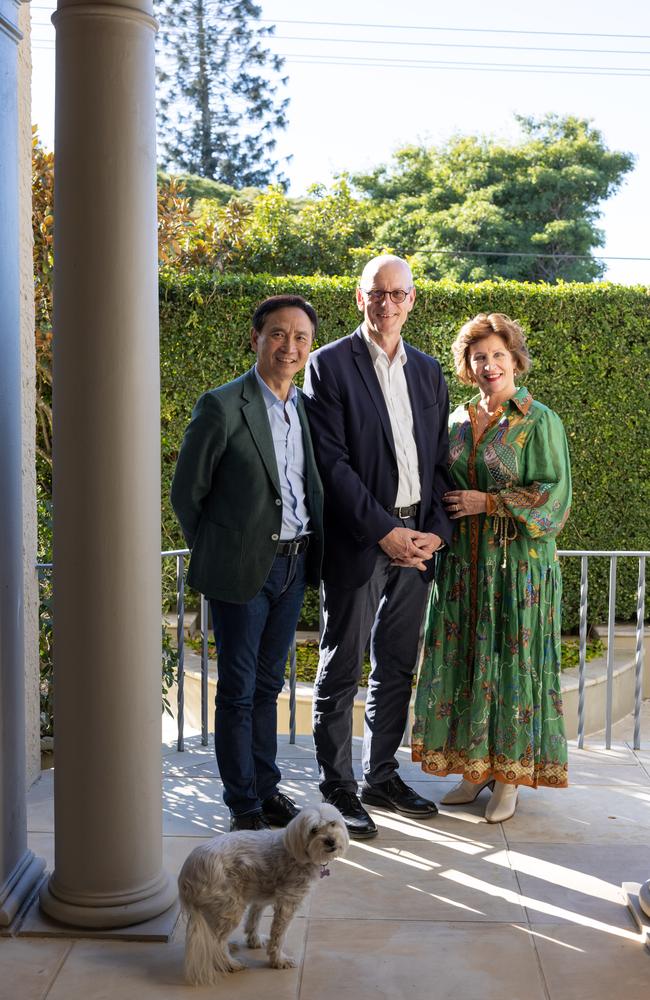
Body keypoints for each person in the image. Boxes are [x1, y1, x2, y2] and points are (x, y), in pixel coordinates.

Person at [303, 254, 453, 839]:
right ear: (359, 297)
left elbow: (439, 461)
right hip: (362, 541)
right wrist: (384, 531)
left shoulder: (428, 371)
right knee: (342, 665)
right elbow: (332, 464)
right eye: (376, 293)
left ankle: (380, 775)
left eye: (398, 293)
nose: (387, 303)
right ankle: (337, 783)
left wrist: (432, 532)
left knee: (396, 664)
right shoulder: (328, 365)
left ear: (412, 299)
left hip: (417, 540)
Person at [171, 295, 324, 831]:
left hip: (295, 566)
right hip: (242, 573)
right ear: (256, 337)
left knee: (267, 687)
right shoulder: (222, 405)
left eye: (301, 337)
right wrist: (223, 547)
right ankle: (243, 806)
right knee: (237, 691)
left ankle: (265, 786)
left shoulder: (307, 408)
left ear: (309, 348)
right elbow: (187, 494)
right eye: (278, 334)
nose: (290, 345)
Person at [412, 312, 572, 823]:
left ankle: (510, 776)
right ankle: (476, 768)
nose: (489, 365)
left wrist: (491, 502)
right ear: (467, 364)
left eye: (498, 355)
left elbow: (554, 497)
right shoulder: (457, 420)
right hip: (463, 568)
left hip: (517, 571)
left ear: (515, 359)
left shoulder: (538, 419)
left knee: (511, 665)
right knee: (467, 664)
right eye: (479, 356)